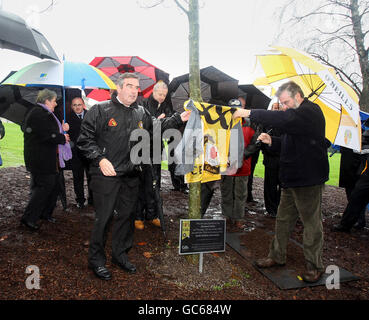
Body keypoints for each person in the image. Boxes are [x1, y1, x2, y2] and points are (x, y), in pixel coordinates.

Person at [77, 73, 190, 280]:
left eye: (136, 87)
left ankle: (120, 255)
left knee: (127, 217)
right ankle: (96, 261)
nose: (133, 90)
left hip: (131, 175)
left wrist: (178, 118)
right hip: (106, 175)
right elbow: (85, 140)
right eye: (129, 86)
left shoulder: (141, 112)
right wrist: (100, 159)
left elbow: (156, 128)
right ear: (118, 88)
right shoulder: (100, 110)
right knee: (104, 219)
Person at [233, 81, 329, 283]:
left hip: (308, 179)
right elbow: (289, 142)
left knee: (311, 224)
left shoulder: (310, 112)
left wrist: (248, 113)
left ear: (298, 96)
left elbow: (285, 118)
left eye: (285, 102)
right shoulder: (296, 117)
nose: (283, 106)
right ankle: (277, 256)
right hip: (291, 179)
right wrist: (272, 142)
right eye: (281, 103)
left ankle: (315, 266)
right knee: (283, 220)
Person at [21, 89, 71, 231]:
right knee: (43, 188)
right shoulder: (39, 113)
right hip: (40, 159)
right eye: (54, 100)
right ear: (47, 100)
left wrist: (62, 129)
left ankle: (45, 213)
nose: (56, 103)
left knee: (53, 186)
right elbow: (46, 135)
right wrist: (62, 137)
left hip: (46, 158)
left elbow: (50, 131)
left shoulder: (44, 113)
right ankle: (28, 218)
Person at [220, 99, 255, 228]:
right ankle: (227, 216)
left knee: (241, 193)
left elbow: (255, 143)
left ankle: (239, 218)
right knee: (226, 191)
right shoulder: (223, 123)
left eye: (238, 109)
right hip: (227, 164)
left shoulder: (250, 124)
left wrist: (242, 155)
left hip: (243, 164)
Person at [332, 129, 369, 233]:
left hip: (363, 176)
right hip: (360, 174)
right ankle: (347, 224)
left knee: (356, 198)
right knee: (356, 199)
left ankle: (347, 224)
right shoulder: (360, 135)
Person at [66, 97, 93, 209]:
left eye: (79, 104)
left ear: (83, 105)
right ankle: (80, 200)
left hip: (89, 152)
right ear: (72, 106)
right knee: (78, 178)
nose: (77, 107)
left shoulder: (90, 115)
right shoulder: (67, 118)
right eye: (75, 105)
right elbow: (65, 136)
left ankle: (92, 199)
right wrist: (64, 130)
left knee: (91, 177)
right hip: (76, 153)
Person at [260, 102, 282, 218]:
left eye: (279, 108)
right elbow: (263, 142)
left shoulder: (285, 124)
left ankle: (278, 206)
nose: (277, 110)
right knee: (270, 186)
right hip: (270, 160)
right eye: (275, 108)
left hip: (282, 160)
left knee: (282, 186)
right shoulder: (267, 124)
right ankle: (270, 209)